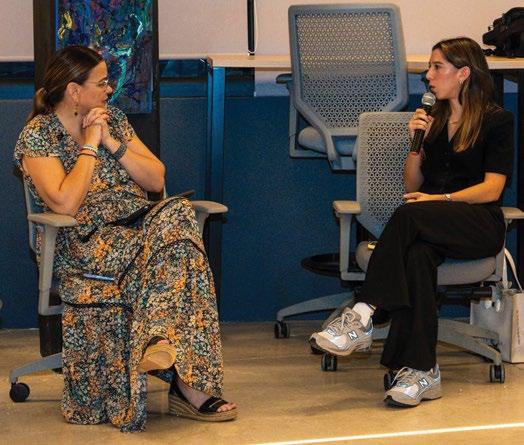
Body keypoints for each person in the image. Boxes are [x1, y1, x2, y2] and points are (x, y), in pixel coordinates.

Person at [14, 45, 236, 432]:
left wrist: (111, 142)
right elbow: (65, 202)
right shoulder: (39, 135)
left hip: (137, 225)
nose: (109, 89)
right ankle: (187, 384)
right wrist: (89, 144)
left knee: (179, 215)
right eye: (101, 83)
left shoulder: (113, 119)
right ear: (74, 91)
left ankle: (158, 344)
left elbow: (156, 179)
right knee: (182, 251)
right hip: (84, 239)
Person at [310, 37, 514, 407]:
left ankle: (363, 313)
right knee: (417, 256)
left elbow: (492, 188)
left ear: (463, 73)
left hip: (477, 224)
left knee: (409, 214)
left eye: (437, 67)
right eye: (429, 68)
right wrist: (415, 144)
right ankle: (423, 371)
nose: (428, 76)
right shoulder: (433, 120)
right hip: (429, 225)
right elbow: (412, 186)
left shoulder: (496, 120)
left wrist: (440, 200)